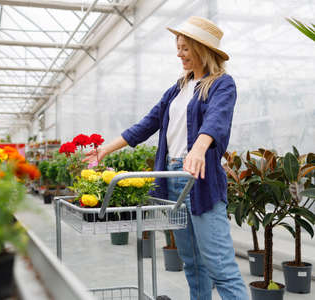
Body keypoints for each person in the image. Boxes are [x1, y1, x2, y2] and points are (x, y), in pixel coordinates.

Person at [84, 16, 248, 300]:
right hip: (173, 180)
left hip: (201, 181)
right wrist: (106, 150)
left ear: (201, 48)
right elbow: (148, 123)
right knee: (193, 264)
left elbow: (217, 120)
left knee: (220, 266)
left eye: (185, 47)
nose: (179, 53)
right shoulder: (178, 88)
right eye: (178, 46)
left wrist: (198, 149)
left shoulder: (222, 84)